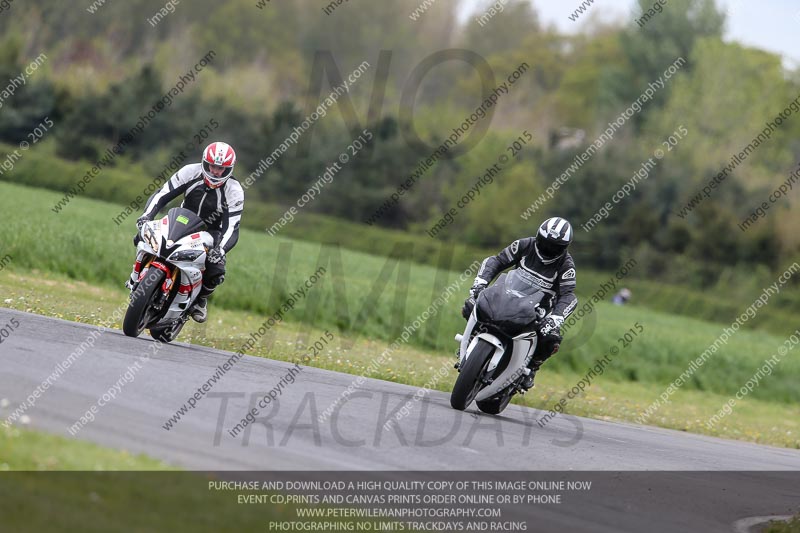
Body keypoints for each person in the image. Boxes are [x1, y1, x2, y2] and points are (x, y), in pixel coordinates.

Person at [126, 141, 244, 323]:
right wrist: (146, 216)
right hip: (181, 219)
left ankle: (200, 300)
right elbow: (162, 194)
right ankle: (136, 277)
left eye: (221, 168)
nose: (215, 172)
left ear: (229, 169)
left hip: (211, 231)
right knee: (144, 234)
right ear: (205, 163)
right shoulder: (190, 172)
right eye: (212, 166)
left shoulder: (234, 191)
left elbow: (232, 227)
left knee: (216, 268)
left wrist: (219, 250)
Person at [462, 216, 577, 390]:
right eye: (545, 243)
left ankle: (531, 368)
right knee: (470, 304)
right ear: (538, 237)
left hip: (539, 310)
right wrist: (480, 282)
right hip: (508, 296)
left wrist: (555, 318)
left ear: (564, 248)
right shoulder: (524, 245)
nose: (548, 249)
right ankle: (471, 344)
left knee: (551, 338)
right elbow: (497, 261)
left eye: (555, 247)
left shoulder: (566, 265)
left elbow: (569, 296)